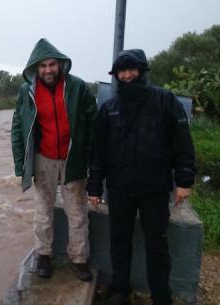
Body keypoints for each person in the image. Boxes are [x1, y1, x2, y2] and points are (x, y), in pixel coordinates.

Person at [87, 49, 196, 305]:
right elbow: (98, 153)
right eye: (121, 71)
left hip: (155, 188)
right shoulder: (109, 108)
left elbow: (183, 143)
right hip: (119, 188)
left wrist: (184, 181)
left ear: (142, 71)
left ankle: (161, 297)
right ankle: (119, 290)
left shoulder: (165, 100)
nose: (126, 76)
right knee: (119, 242)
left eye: (131, 69)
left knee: (157, 246)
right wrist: (94, 187)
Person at [11, 38, 96, 281]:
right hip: (43, 157)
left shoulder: (78, 87)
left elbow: (93, 122)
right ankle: (43, 256)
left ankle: (79, 258)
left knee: (77, 211)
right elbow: (18, 126)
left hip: (73, 158)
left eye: (51, 65)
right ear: (35, 69)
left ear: (60, 65)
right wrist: (21, 163)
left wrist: (89, 156)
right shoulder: (26, 91)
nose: (47, 70)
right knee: (42, 210)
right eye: (42, 66)